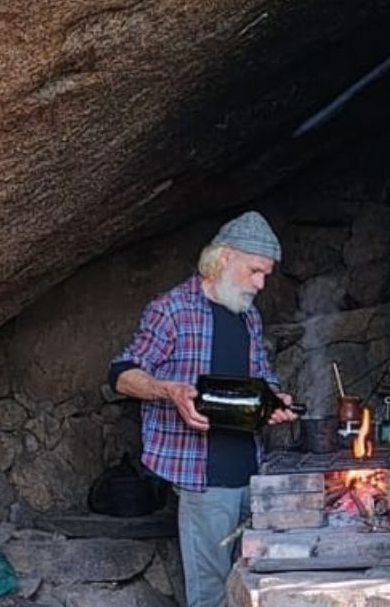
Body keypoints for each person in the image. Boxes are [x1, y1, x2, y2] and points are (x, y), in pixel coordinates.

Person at [108, 210, 298, 607]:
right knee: (210, 594)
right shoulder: (172, 310)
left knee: (254, 588)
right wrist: (169, 391)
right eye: (255, 271)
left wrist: (275, 400)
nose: (261, 284)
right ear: (225, 258)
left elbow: (262, 375)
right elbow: (121, 374)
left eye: (266, 275)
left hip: (251, 470)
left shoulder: (248, 316)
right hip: (203, 477)